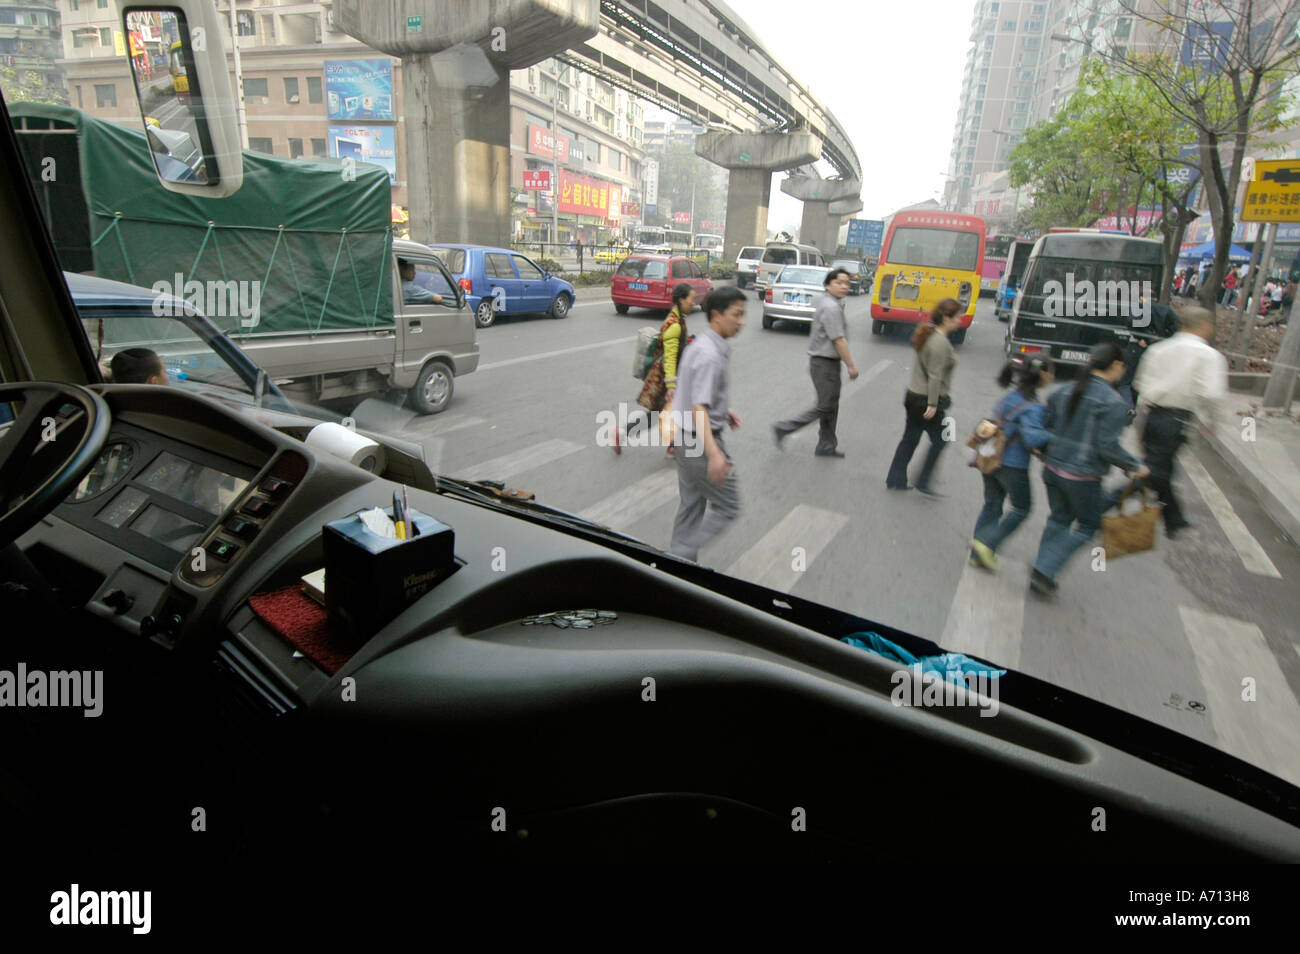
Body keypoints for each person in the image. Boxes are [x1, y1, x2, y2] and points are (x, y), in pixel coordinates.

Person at [1028, 342, 1149, 596]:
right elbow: (1107, 446)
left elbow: (1046, 426)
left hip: (1052, 469)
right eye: (1123, 367)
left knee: (1059, 518)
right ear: (1116, 366)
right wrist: (1134, 466)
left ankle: (1043, 569)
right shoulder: (1113, 403)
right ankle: (1044, 568)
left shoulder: (1062, 391)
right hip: (1081, 476)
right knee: (1088, 525)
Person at [1131, 306, 1228, 539]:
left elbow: (1140, 384)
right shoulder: (1209, 356)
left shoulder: (1159, 349)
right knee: (1154, 472)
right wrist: (1212, 422)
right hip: (1175, 420)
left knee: (1163, 467)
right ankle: (1101, 504)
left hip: (1152, 415)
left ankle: (1174, 519)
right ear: (1204, 326)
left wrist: (1140, 421)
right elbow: (1213, 394)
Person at [668, 286, 746, 562]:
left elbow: (693, 392)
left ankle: (677, 567)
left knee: (691, 505)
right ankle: (681, 555)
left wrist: (724, 411)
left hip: (685, 438)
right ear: (716, 315)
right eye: (736, 315)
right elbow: (698, 406)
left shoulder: (702, 343)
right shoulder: (710, 354)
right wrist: (714, 454)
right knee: (729, 505)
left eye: (743, 314)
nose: (742, 321)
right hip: (700, 442)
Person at [968, 355, 1055, 571]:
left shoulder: (1008, 398)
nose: (1052, 376)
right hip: (1012, 465)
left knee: (992, 504)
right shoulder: (1033, 406)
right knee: (1022, 508)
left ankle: (977, 553)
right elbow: (1033, 438)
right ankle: (986, 544)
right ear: (1042, 375)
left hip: (989, 459)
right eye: (1051, 372)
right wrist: (1055, 436)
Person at [773, 267, 860, 457]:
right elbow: (838, 339)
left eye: (847, 283)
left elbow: (820, 336)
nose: (844, 286)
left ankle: (826, 445)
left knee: (831, 405)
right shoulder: (831, 307)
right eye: (839, 282)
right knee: (826, 406)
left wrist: (814, 362)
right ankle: (785, 428)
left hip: (822, 362)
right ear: (828, 285)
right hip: (825, 363)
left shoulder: (829, 303)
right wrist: (851, 365)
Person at [885, 298, 962, 496]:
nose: (959, 321)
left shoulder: (930, 335)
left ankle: (896, 478)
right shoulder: (939, 343)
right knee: (943, 438)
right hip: (926, 401)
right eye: (957, 317)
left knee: (910, 438)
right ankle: (923, 480)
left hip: (913, 396)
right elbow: (935, 376)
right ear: (946, 318)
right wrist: (933, 404)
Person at [636, 282, 694, 457]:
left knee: (660, 412)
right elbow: (669, 356)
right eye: (691, 299)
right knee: (668, 411)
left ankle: (674, 445)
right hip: (664, 377)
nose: (693, 302)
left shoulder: (678, 319)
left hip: (667, 376)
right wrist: (671, 385)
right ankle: (676, 445)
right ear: (681, 300)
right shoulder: (675, 324)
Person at [1118, 293, 1179, 409]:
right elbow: (1175, 327)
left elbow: (1130, 322)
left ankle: (1128, 408)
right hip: (1156, 350)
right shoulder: (1166, 310)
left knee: (1126, 381)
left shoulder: (1139, 307)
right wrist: (1160, 339)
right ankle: (1135, 406)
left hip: (1136, 347)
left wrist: (1140, 337)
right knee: (1140, 380)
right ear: (1156, 298)